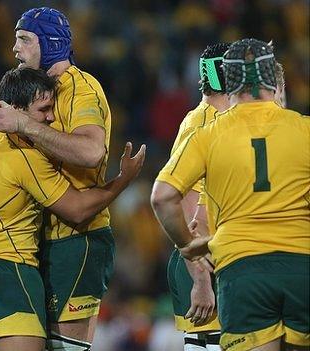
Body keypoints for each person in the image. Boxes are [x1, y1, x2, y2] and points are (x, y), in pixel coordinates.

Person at [0, 67, 145, 351]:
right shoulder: (22, 157)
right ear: (15, 111)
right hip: (12, 272)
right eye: (43, 109)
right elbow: (77, 210)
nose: (51, 117)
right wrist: (123, 180)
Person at [151, 38, 310, 351]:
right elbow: (192, 208)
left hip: (235, 265)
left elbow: (165, 196)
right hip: (213, 264)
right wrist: (198, 275)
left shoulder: (207, 128)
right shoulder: (211, 123)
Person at [0, 7, 114, 349]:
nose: (15, 49)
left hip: (76, 239)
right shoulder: (29, 91)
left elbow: (92, 151)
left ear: (50, 44)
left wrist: (26, 124)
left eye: (24, 39)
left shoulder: (81, 89)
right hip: (34, 242)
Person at [165, 43, 230, 351]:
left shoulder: (212, 119)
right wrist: (201, 278)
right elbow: (187, 208)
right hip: (205, 263)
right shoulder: (203, 124)